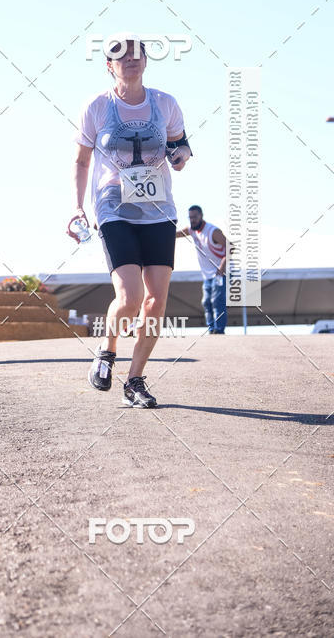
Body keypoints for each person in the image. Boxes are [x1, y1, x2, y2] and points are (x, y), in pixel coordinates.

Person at [69, 37, 192, 407]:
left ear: (146, 61)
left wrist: (181, 156)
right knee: (130, 296)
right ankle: (106, 350)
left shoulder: (165, 104)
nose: (131, 60)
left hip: (159, 211)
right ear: (109, 65)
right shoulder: (97, 107)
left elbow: (181, 145)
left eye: (137, 54)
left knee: (155, 301)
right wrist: (77, 207)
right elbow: (81, 161)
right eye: (120, 56)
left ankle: (135, 380)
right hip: (114, 209)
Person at [176, 206, 228, 334]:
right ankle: (211, 329)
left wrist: (222, 267)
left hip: (220, 273)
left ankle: (219, 330)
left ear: (201, 216)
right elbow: (175, 234)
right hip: (207, 275)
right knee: (206, 302)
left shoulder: (212, 231)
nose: (192, 220)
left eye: (195, 217)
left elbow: (231, 248)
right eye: (190, 217)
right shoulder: (192, 230)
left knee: (217, 301)